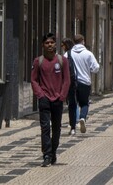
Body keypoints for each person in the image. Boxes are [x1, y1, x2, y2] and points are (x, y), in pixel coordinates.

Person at [31, 33, 70, 167]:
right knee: (45, 127)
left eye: (51, 43)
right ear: (43, 45)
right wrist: (40, 94)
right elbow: (34, 80)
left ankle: (53, 152)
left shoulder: (62, 61)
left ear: (55, 44)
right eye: (47, 43)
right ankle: (47, 154)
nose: (49, 45)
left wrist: (62, 96)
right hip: (44, 99)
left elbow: (67, 80)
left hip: (58, 99)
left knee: (57, 128)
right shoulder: (38, 61)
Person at [70, 34, 100, 134]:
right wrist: (89, 69)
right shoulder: (88, 54)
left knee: (73, 105)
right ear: (83, 41)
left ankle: (73, 127)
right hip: (85, 82)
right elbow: (95, 68)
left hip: (72, 83)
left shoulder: (69, 53)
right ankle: (82, 117)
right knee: (84, 103)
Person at [61, 38, 78, 136]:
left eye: (63, 45)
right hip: (82, 82)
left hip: (71, 82)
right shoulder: (84, 53)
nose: (62, 47)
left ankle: (73, 126)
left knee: (71, 104)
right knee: (76, 104)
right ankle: (78, 121)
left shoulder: (67, 55)